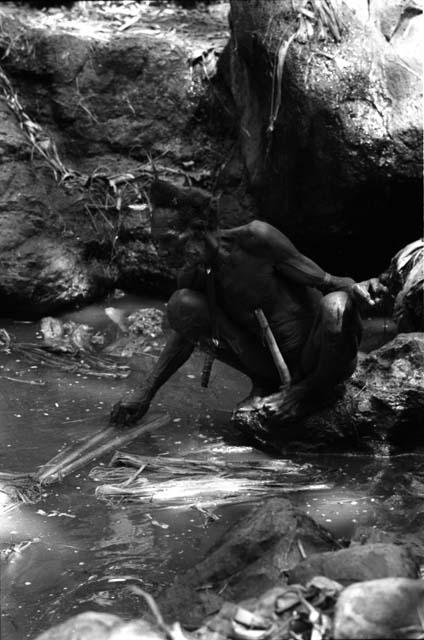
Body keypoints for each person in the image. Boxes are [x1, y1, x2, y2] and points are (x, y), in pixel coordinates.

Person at [110, 180, 388, 426]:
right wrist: (144, 393)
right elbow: (183, 338)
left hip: (317, 357)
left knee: (335, 306)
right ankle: (267, 385)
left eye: (168, 241)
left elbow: (330, 282)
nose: (162, 252)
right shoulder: (194, 276)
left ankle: (308, 393)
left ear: (197, 229)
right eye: (158, 244)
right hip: (273, 366)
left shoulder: (257, 240)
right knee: (181, 306)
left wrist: (364, 288)